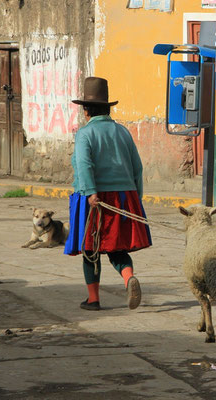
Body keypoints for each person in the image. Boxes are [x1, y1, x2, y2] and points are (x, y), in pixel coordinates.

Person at [64, 76, 152, 312]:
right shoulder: (123, 132)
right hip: (125, 197)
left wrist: (91, 192)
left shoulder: (85, 134)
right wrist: (136, 198)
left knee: (90, 249)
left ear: (86, 111)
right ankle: (129, 278)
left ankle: (93, 299)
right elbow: (137, 167)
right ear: (107, 108)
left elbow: (84, 164)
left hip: (95, 198)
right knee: (116, 247)